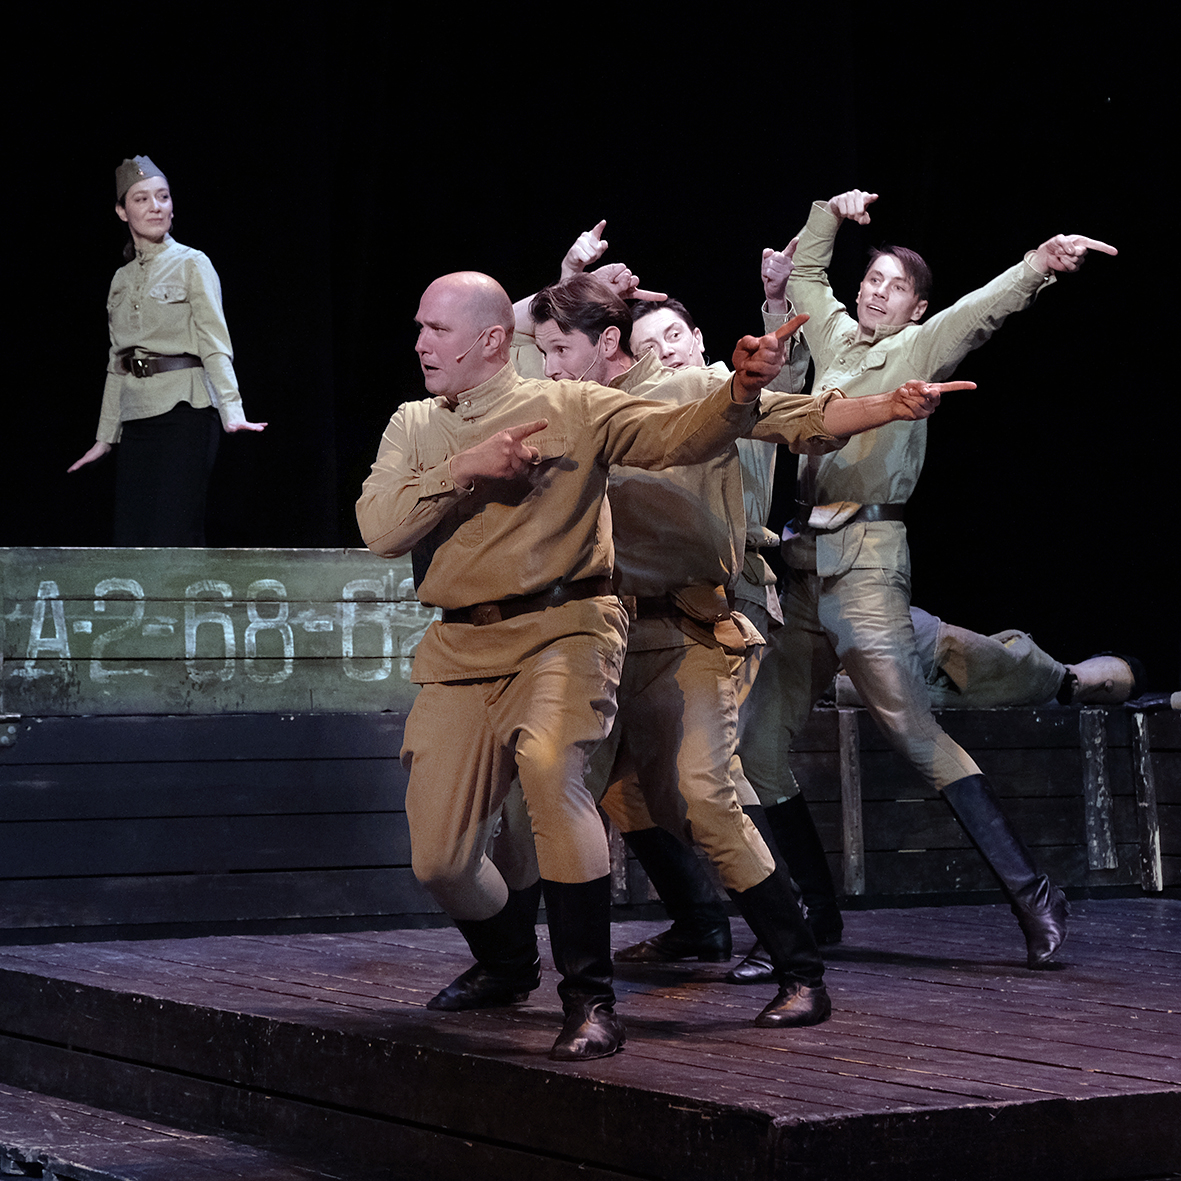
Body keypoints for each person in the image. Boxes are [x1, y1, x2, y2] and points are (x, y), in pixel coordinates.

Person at [355, 270, 791, 1061]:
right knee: (442, 859)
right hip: (461, 646)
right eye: (419, 328)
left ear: (492, 339)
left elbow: (676, 434)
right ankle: (507, 962)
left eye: (436, 330)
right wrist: (465, 469)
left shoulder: (571, 406)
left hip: (565, 629)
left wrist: (738, 391)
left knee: (553, 771)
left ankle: (590, 999)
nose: (419, 343)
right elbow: (380, 528)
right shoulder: (413, 424)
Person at [518, 274, 963, 1028]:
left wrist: (888, 404)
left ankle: (800, 970)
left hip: (688, 628)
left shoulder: (692, 389)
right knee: (563, 788)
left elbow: (802, 416)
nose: (547, 365)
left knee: (704, 793)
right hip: (600, 633)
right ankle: (559, 985)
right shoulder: (565, 405)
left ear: (605, 344)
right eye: (543, 351)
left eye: (558, 350)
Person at [735, 189, 1118, 973]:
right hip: (804, 565)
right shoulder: (834, 337)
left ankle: (1034, 893)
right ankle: (810, 912)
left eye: (894, 286)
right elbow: (805, 275)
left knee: (912, 732)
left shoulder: (915, 348)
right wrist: (827, 213)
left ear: (914, 308)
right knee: (757, 745)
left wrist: (1038, 265)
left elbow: (978, 313)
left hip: (868, 562)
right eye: (871, 279)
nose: (877, 291)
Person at [68, 155, 266, 545]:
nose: (155, 207)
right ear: (122, 211)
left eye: (163, 197)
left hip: (185, 413)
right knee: (132, 538)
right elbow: (117, 363)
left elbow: (214, 344)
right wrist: (105, 437)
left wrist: (232, 409)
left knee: (173, 535)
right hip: (136, 418)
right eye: (141, 199)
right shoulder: (121, 279)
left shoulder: (193, 263)